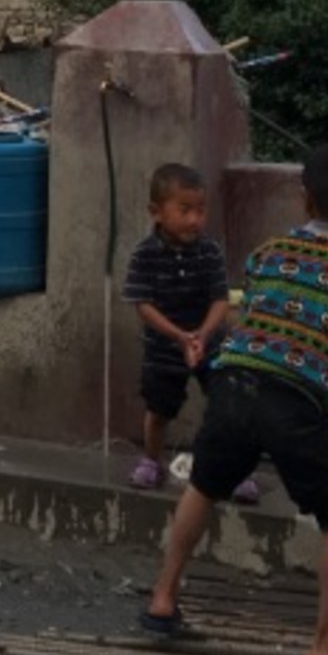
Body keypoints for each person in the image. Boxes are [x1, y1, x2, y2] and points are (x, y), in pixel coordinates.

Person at [138, 142, 328, 655]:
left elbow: (254, 308)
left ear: (306, 200)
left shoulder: (269, 252)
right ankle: (327, 651)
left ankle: (162, 598)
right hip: (294, 399)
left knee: (204, 485)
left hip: (232, 379)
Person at [119, 164, 229, 490]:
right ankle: (152, 461)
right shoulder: (145, 255)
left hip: (210, 344)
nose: (194, 219)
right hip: (163, 349)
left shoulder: (210, 251)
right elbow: (143, 304)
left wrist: (203, 334)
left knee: (226, 406)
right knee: (159, 409)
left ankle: (232, 468)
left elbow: (220, 300)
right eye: (184, 210)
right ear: (156, 212)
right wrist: (179, 336)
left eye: (200, 210)